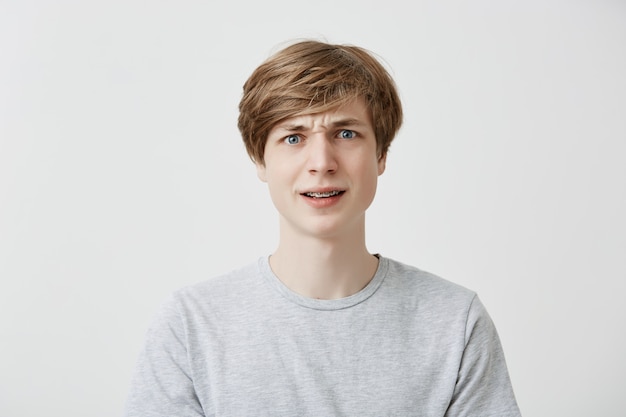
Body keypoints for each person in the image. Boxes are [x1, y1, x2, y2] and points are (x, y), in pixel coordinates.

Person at [123, 40, 521, 416]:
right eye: (293, 137)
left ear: (381, 154)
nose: (321, 161)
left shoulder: (455, 321)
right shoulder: (191, 325)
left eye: (345, 134)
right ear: (260, 162)